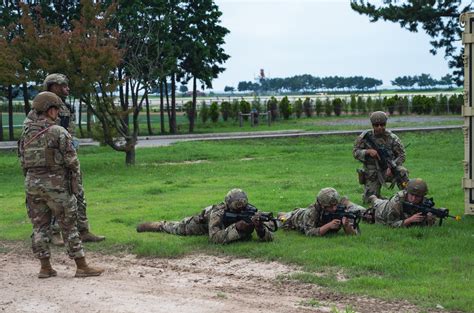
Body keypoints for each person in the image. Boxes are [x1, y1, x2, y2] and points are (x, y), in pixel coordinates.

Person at [18, 92, 104, 278]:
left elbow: (22, 160)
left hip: (32, 185)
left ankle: (45, 267)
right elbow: (72, 161)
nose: (57, 113)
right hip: (56, 186)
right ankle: (81, 266)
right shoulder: (58, 131)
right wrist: (75, 182)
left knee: (39, 227)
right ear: (50, 110)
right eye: (56, 109)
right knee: (69, 226)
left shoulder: (26, 132)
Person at [25, 73, 105, 245]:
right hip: (51, 165)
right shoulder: (38, 109)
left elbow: (70, 132)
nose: (67, 88)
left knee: (78, 193)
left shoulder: (66, 108)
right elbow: (30, 136)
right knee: (54, 198)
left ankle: (83, 230)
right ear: (52, 87)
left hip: (67, 158)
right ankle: (54, 233)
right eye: (63, 86)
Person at [136, 188, 275, 244]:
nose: (241, 211)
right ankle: (156, 225)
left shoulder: (251, 211)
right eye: (237, 208)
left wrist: (260, 229)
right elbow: (214, 238)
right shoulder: (218, 212)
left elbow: (270, 235)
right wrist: (237, 227)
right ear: (228, 205)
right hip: (199, 225)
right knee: (177, 228)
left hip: (222, 226)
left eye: (243, 208)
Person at [353, 111, 409, 203]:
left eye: (382, 124)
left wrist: (392, 166)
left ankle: (408, 196)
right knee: (369, 201)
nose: (379, 127)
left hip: (389, 170)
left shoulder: (392, 138)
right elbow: (355, 152)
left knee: (402, 171)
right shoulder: (365, 137)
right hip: (372, 173)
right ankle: (384, 200)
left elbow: (402, 155)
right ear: (372, 125)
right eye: (376, 125)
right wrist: (367, 152)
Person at [278, 188, 365, 236]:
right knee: (281, 220)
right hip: (296, 218)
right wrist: (328, 226)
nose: (334, 208)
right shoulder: (312, 212)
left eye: (335, 205)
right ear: (322, 205)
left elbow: (353, 235)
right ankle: (283, 214)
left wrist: (346, 226)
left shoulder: (339, 210)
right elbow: (309, 232)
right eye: (330, 206)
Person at [369, 178, 436, 227]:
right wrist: (410, 220)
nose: (414, 199)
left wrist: (430, 218)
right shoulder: (396, 202)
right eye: (412, 195)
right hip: (382, 212)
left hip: (398, 211)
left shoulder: (425, 202)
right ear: (407, 192)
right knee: (377, 204)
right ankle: (374, 198)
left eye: (418, 196)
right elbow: (391, 224)